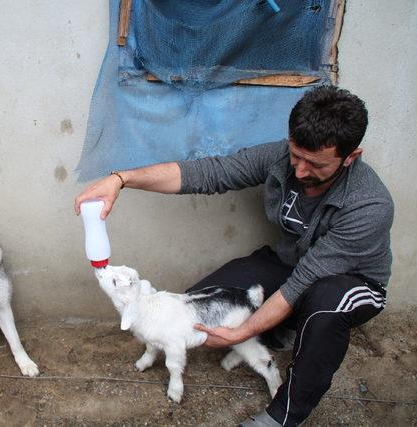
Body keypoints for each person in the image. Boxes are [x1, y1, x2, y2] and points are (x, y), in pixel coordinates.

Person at [74, 86, 393, 426]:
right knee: (198, 304)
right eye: (296, 155)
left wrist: (240, 333)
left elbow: (305, 280)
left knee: (324, 308)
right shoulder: (281, 159)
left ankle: (283, 415)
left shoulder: (368, 205)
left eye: (315, 164)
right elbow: (209, 173)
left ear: (350, 157)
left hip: (349, 283)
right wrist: (121, 179)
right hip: (291, 262)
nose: (299, 171)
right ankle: (282, 327)